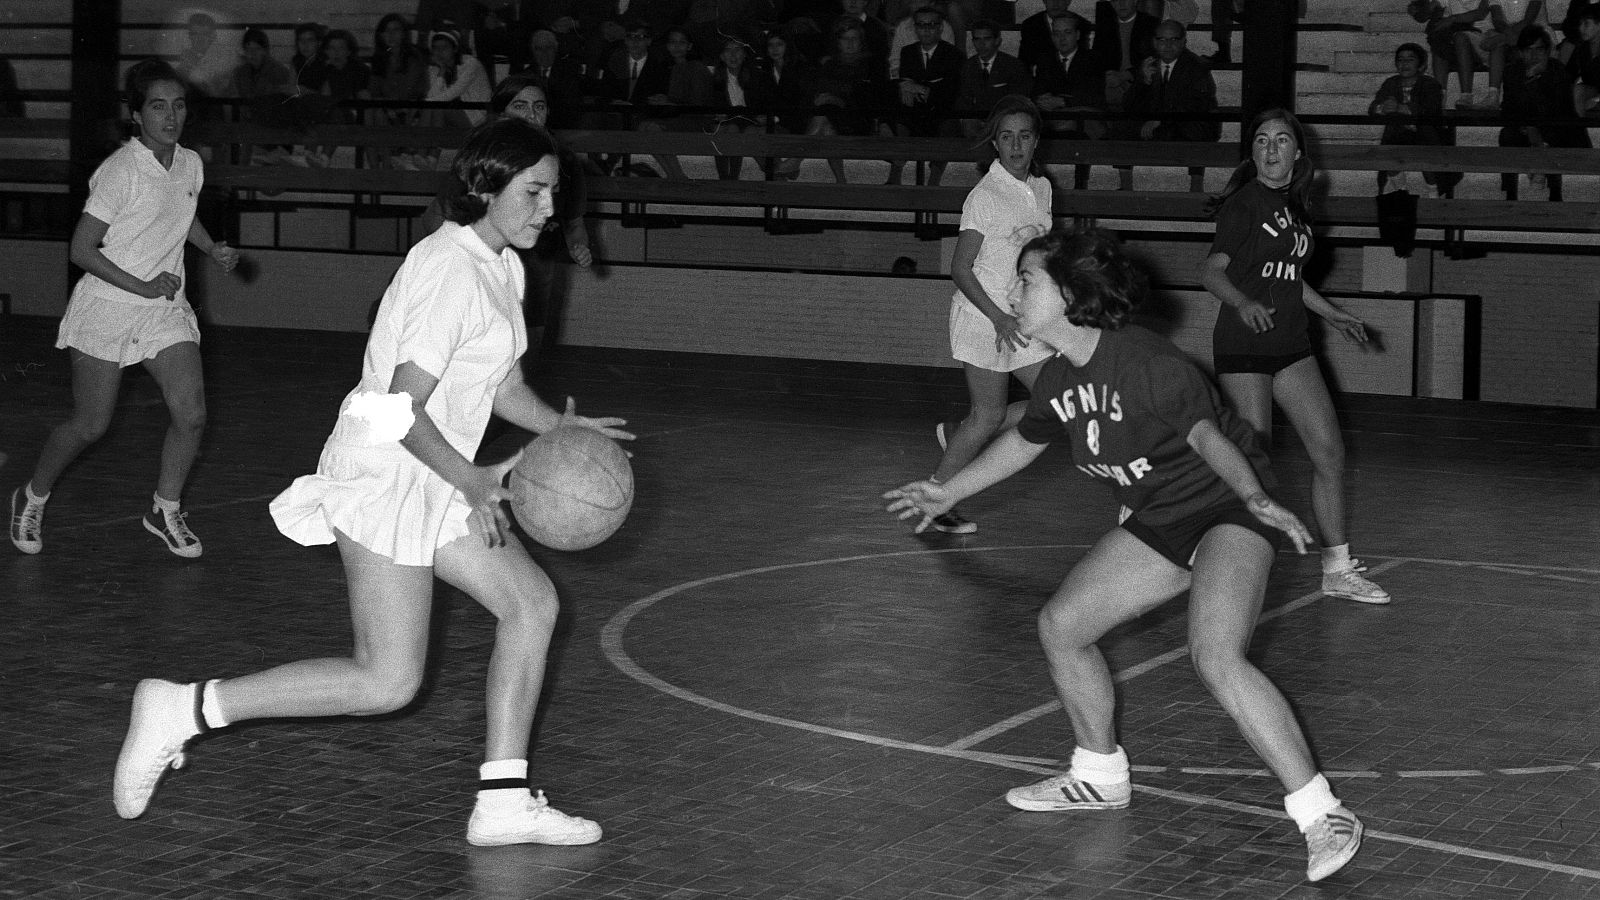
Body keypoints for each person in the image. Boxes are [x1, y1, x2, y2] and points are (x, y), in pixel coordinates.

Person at [110, 117, 633, 847]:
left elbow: (499, 382)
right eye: (536, 191)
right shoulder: (448, 268)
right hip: (387, 470)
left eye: (555, 192)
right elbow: (398, 407)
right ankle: (185, 708)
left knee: (532, 605)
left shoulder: (502, 265)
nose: (550, 207)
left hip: (437, 471)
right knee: (386, 681)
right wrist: (475, 480)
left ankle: (504, 800)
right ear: (486, 187)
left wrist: (559, 430)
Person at [883, 226, 1366, 885]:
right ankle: (1098, 774)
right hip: (1160, 519)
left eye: (1027, 280)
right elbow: (1023, 444)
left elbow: (1206, 436)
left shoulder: (1148, 364)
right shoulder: (1058, 377)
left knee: (1216, 655)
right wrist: (945, 491)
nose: (1014, 291)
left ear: (1070, 294)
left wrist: (1254, 495)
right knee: (1062, 626)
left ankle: (1323, 813)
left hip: (1225, 506)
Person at [8, 60, 240, 558]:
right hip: (108, 307)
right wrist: (142, 283)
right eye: (158, 106)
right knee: (91, 425)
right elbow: (82, 250)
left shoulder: (190, 163)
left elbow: (183, 211)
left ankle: (164, 508)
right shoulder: (118, 172)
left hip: (162, 309)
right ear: (136, 115)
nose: (171, 115)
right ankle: (31, 497)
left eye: (178, 105)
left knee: (192, 415)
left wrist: (210, 247)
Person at [1198, 109, 1391, 605]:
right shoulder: (1244, 204)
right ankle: (1206, 544)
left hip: (1291, 345)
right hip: (1245, 346)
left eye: (1281, 140)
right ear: (1253, 152)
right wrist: (1242, 303)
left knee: (1330, 453)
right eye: (1262, 141)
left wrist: (1334, 314)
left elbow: (1291, 278)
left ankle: (1337, 569)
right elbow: (1212, 272)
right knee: (1251, 464)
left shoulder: (1297, 207)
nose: (1271, 148)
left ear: (1297, 153)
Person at [926, 95, 1055, 534]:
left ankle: (960, 432)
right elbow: (960, 268)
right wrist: (999, 317)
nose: (1016, 145)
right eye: (1006, 137)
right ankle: (938, 499)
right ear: (995, 145)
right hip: (983, 317)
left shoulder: (1042, 189)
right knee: (988, 415)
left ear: (1036, 141)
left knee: (1056, 400)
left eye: (1024, 135)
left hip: (1023, 319)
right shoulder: (985, 195)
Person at [1125, 19, 1218, 192]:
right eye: (1161, 40)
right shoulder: (1149, 64)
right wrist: (1142, 81)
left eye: (1173, 40)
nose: (1167, 45)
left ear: (1184, 41)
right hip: (1159, 124)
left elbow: (1197, 106)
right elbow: (1129, 105)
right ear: (1154, 42)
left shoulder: (1197, 66)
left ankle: (1196, 185)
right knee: (1122, 126)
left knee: (1193, 127)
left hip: (1187, 123)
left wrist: (1161, 119)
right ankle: (1125, 185)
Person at [1500, 26, 1591, 199]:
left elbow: (1557, 110)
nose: (1534, 55)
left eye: (1539, 49)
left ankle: (1555, 191)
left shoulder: (1557, 71)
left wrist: (1532, 81)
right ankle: (1510, 194)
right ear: (1520, 52)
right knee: (1507, 135)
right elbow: (1508, 107)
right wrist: (1525, 126)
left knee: (1551, 131)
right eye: (1528, 50)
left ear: (1547, 51)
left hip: (1558, 127)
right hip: (1525, 126)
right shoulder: (1512, 71)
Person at [1370, 42, 1460, 196]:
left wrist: (1401, 108)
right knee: (1388, 148)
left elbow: (1429, 110)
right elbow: (1373, 108)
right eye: (1400, 60)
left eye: (1410, 59)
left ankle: (1434, 193)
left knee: (1427, 151)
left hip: (1426, 134)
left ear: (1421, 65)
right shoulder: (1391, 83)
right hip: (1398, 134)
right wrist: (1382, 108)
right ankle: (1400, 191)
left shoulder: (1430, 84)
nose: (1404, 64)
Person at [891, 5, 964, 186]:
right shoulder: (907, 52)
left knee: (949, 124)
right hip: (915, 109)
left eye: (931, 25)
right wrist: (918, 87)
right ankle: (895, 174)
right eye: (921, 25)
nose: (926, 29)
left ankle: (935, 178)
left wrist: (921, 89)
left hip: (941, 110)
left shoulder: (954, 54)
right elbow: (906, 86)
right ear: (915, 28)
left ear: (940, 28)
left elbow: (949, 90)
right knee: (899, 115)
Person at [636, 28, 716, 180]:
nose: (677, 46)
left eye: (681, 42)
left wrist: (669, 101)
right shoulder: (669, 67)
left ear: (689, 46)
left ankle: (677, 175)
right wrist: (660, 99)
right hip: (677, 117)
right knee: (642, 126)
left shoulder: (697, 68)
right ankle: (673, 174)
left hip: (698, 120)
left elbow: (697, 104)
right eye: (673, 42)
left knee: (653, 129)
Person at [370, 13, 430, 171]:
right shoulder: (379, 59)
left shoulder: (414, 57)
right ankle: (383, 166)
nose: (391, 35)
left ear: (404, 33)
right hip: (388, 109)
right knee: (375, 113)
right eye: (386, 31)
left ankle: (397, 156)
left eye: (395, 30)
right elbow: (374, 90)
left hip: (411, 107)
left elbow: (414, 89)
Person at [955, 19, 1032, 138]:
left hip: (1004, 118)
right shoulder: (968, 66)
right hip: (976, 119)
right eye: (977, 39)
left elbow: (1018, 99)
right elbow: (964, 99)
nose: (981, 44)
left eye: (987, 39)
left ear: (997, 41)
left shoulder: (1013, 65)